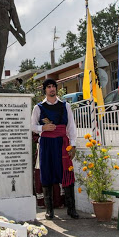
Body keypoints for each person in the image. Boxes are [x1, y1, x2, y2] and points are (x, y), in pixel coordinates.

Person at [31, 79, 79, 219]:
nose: (52, 89)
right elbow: (32, 126)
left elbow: (71, 126)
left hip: (62, 143)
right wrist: (43, 128)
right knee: (47, 173)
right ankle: (49, 210)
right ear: (45, 90)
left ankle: (71, 209)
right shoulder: (38, 107)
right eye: (49, 87)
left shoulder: (65, 106)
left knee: (66, 173)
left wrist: (73, 145)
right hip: (46, 144)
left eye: (53, 87)